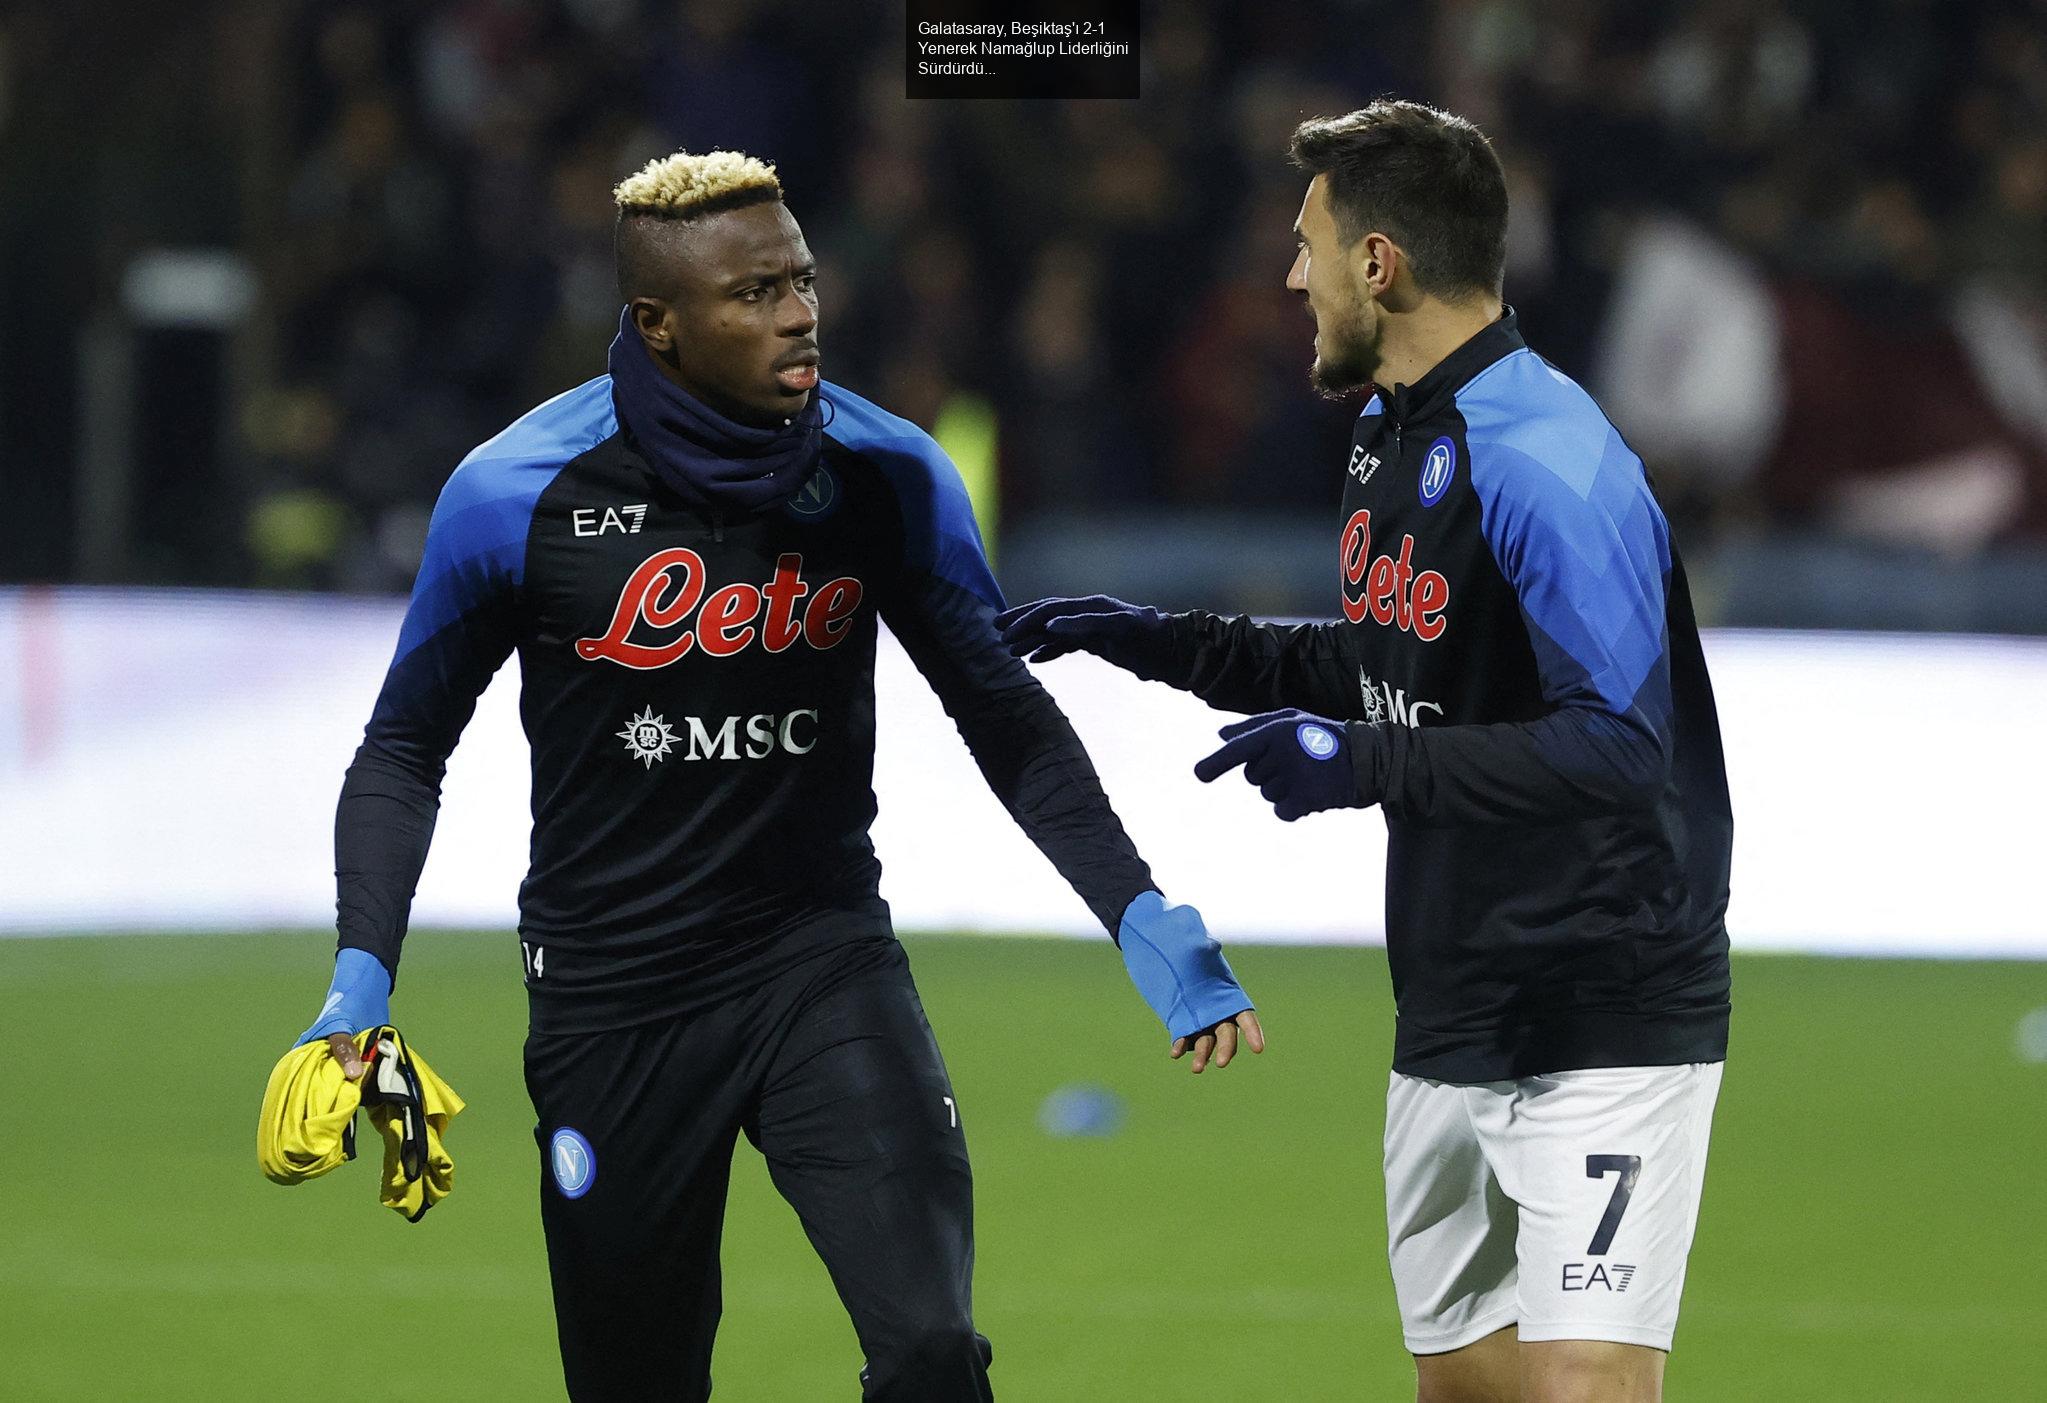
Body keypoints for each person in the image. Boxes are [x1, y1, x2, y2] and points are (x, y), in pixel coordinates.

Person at [292, 149, 1264, 1403]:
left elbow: (1004, 716)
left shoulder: (886, 472)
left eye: (799, 279)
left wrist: (1144, 914)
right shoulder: (512, 493)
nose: (799, 311)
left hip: (818, 962)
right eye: (751, 294)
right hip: (610, 994)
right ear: (660, 325)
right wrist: (358, 983)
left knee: (929, 1351)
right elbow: (401, 747)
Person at [1001, 101, 1731, 1403]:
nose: (1291, 276)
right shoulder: (1390, 433)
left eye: (1307, 246)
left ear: (1378, 264)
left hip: (1601, 999)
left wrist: (1363, 764)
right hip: (1449, 991)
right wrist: (1152, 641)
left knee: (1585, 1381)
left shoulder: (1551, 458)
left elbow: (1621, 745)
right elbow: (1395, 664)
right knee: (1458, 1381)